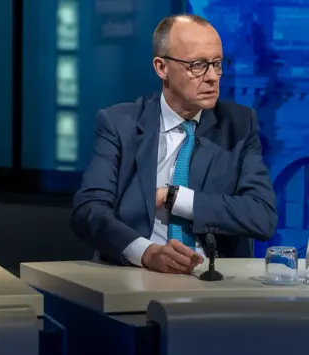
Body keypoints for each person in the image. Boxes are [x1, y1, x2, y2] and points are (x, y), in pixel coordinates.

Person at [71, 15, 277, 274]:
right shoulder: (118, 123)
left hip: (214, 277)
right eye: (198, 65)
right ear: (161, 67)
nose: (213, 77)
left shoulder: (238, 125)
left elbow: (262, 217)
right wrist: (145, 252)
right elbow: (89, 210)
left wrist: (176, 198)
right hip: (135, 273)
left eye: (217, 63)